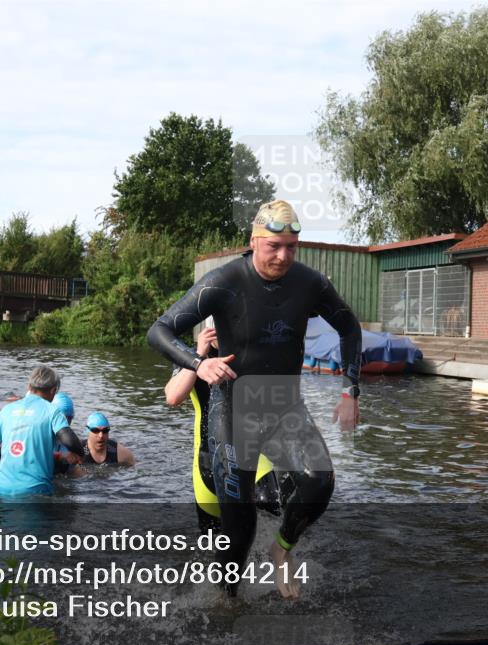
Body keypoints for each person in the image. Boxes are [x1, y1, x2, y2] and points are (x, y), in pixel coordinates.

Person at [147, 199, 361, 599]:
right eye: (274, 247)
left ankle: (281, 551)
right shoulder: (223, 282)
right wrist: (199, 363)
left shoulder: (310, 284)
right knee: (239, 525)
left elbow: (349, 328)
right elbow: (159, 331)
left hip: (284, 405)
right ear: (254, 241)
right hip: (233, 409)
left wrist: (350, 390)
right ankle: (228, 601)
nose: (283, 256)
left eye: (292, 247)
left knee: (320, 483)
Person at [164, 322, 282, 533]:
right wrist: (199, 356)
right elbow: (173, 397)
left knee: (269, 503)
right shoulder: (190, 356)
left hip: (252, 453)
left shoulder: (248, 353)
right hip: (207, 461)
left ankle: (276, 556)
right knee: (213, 541)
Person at [0, 365, 85, 496]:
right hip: (36, 490)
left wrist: (23, 455)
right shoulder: (52, 411)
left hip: (3, 488)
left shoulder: (6, 410)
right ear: (53, 390)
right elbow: (69, 439)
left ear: (29, 386)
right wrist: (80, 454)